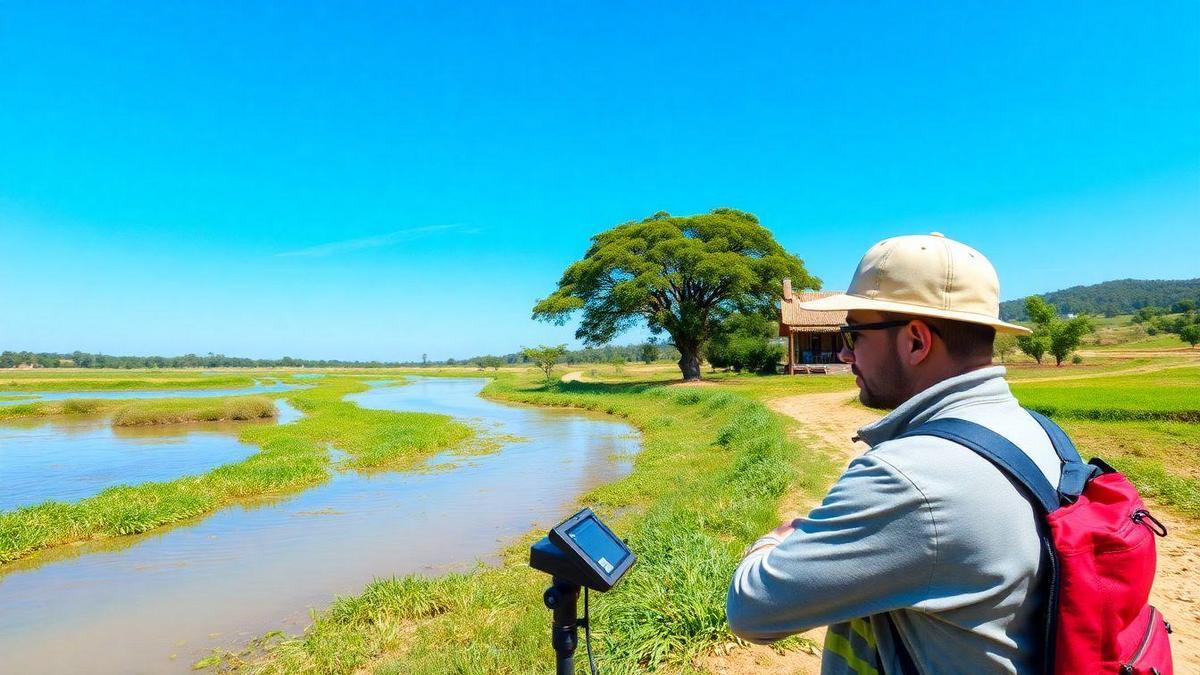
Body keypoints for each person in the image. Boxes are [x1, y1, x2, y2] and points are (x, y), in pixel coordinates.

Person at [726, 232, 1057, 674]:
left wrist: (777, 539)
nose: (844, 352)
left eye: (854, 333)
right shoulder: (1038, 432)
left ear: (916, 341)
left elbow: (751, 608)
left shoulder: (911, 477)